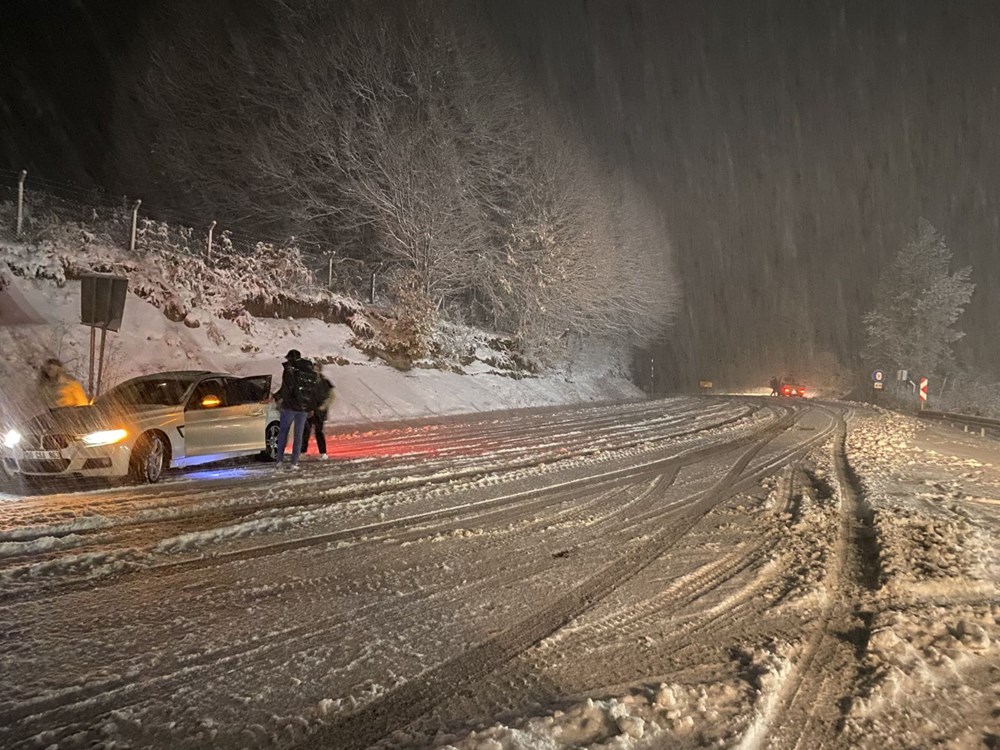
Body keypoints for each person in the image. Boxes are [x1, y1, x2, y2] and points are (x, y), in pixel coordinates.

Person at [273, 349, 318, 470]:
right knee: (298, 435)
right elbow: (313, 392)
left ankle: (279, 461)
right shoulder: (310, 371)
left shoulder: (290, 369)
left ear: (290, 358)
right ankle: (294, 462)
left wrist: (275, 397)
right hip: (303, 408)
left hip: (290, 406)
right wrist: (311, 408)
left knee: (283, 432)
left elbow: (287, 387)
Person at [302, 362, 335, 460]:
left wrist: (323, 406)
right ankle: (302, 452)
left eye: (316, 369)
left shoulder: (325, 383)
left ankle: (323, 452)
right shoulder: (306, 383)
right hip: (308, 411)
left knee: (319, 432)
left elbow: (331, 396)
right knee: (305, 432)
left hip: (319, 412)